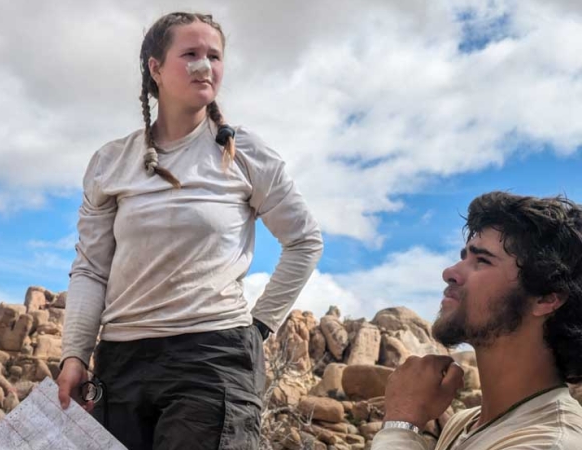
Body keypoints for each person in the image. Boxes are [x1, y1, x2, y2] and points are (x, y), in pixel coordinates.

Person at [55, 11, 323, 450]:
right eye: (191, 54)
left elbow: (304, 242)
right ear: (155, 68)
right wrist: (74, 355)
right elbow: (90, 269)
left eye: (214, 56)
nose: (205, 66)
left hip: (213, 358)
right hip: (121, 361)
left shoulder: (245, 154)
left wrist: (258, 328)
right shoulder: (111, 162)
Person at [373, 191, 582, 449]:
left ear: (546, 299)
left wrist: (400, 424)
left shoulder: (552, 442)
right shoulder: (465, 423)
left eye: (482, 260)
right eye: (464, 257)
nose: (449, 272)